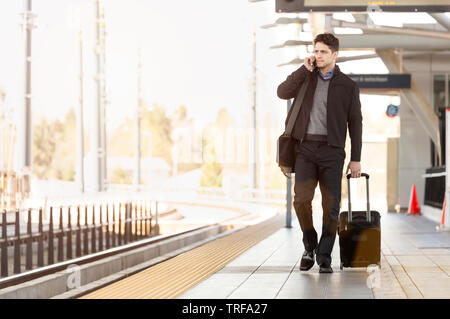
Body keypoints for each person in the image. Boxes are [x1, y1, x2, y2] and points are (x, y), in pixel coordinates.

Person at [277, 33, 363, 273]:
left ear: (335, 54)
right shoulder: (306, 78)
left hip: (332, 152)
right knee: (301, 200)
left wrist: (356, 158)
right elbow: (282, 92)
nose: (318, 55)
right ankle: (310, 245)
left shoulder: (348, 86)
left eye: (323, 51)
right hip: (304, 149)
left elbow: (356, 124)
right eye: (316, 50)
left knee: (331, 205)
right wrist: (302, 70)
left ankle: (324, 255)